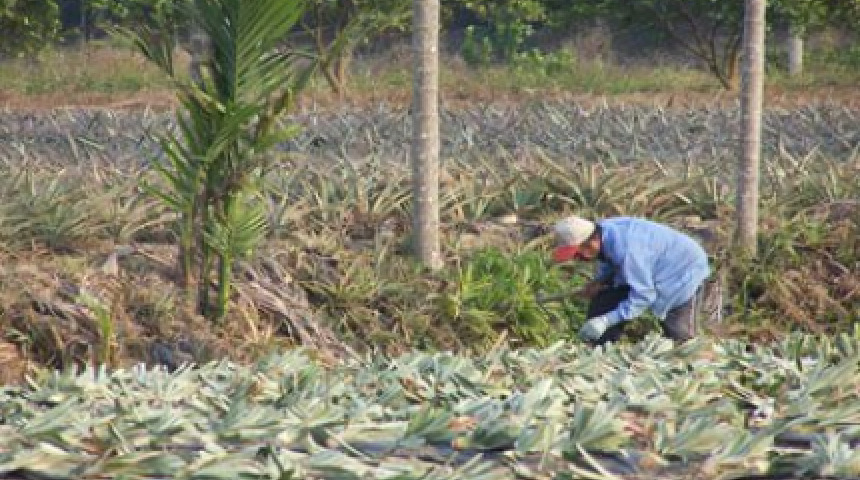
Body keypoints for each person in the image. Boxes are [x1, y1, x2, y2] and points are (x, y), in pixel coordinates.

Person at [550, 215, 710, 345]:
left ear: (592, 242)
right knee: (603, 301)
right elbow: (609, 260)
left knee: (679, 334)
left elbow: (644, 295)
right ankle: (600, 348)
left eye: (577, 254)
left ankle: (698, 365)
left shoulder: (629, 253)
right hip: (649, 267)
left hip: (683, 270)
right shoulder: (604, 233)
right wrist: (599, 282)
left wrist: (606, 321)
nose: (577, 259)